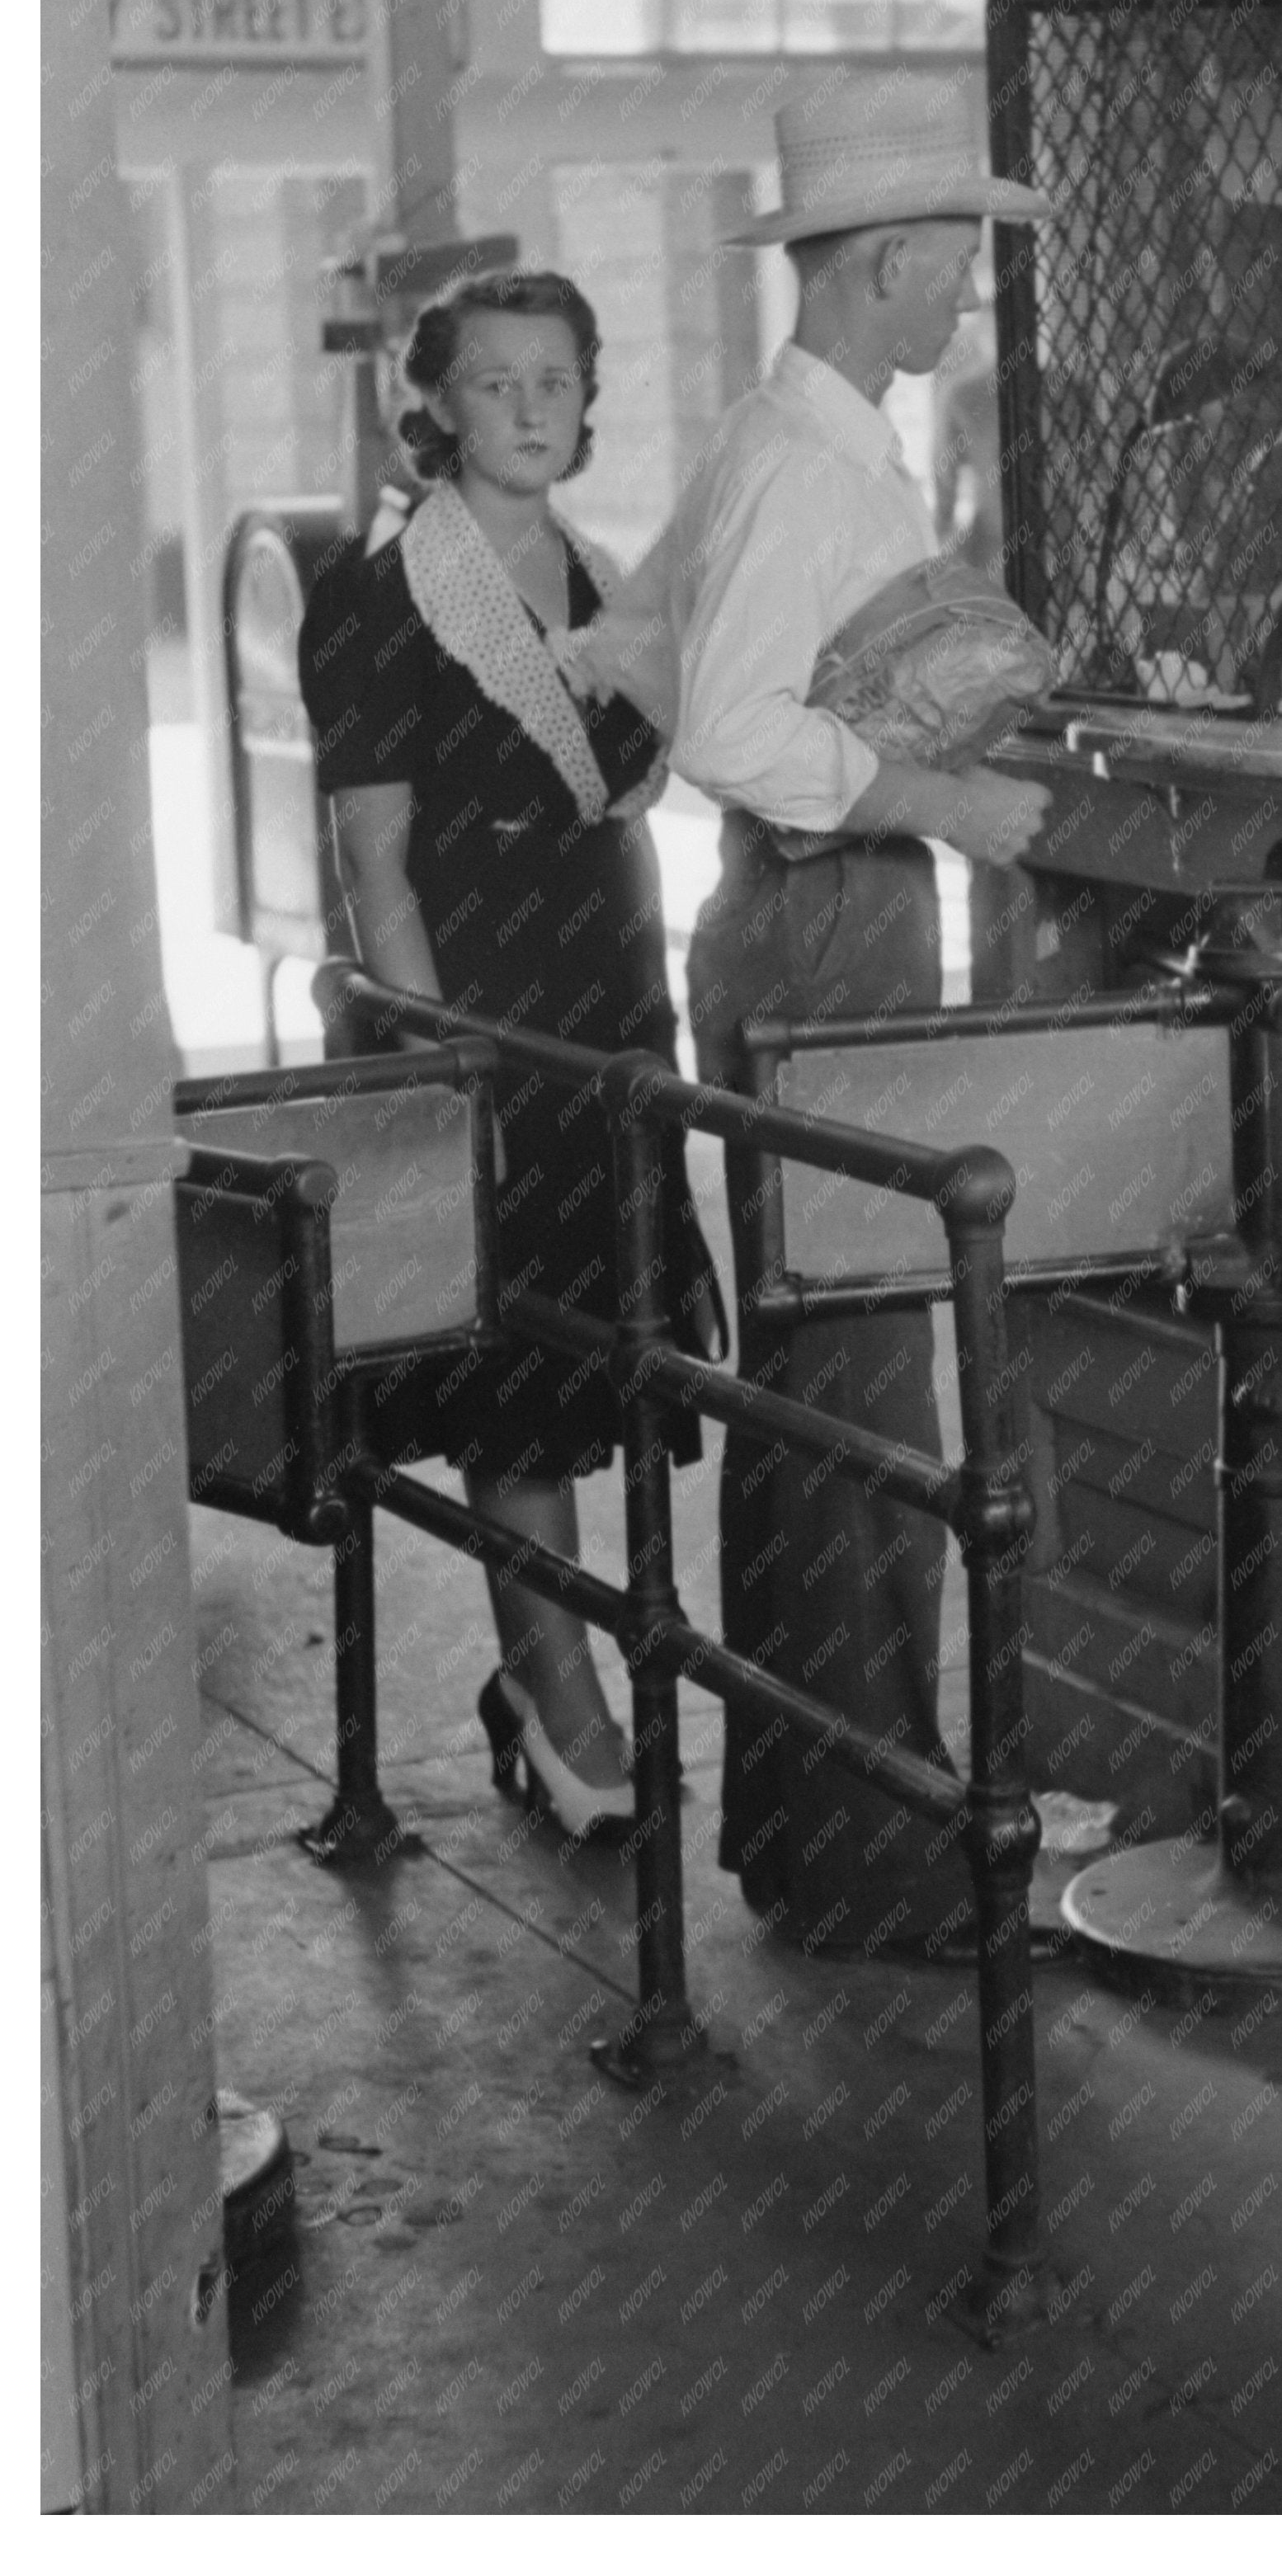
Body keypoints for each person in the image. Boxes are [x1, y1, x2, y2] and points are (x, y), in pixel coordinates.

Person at [591, 82, 1054, 1961]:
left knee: (813, 1385)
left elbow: (638, 646)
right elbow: (722, 731)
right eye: (950, 259)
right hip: (821, 918)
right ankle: (878, 1848)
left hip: (801, 917)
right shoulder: (803, 458)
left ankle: (814, 1820)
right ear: (881, 264)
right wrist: (936, 795)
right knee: (858, 1385)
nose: (965, 291)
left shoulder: (793, 437)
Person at [298, 270, 710, 1844]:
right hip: (472, 1008)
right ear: (441, 408)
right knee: (515, 1380)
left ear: (586, 399)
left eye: (556, 381)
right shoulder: (382, 588)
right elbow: (376, 862)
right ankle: (563, 1699)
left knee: (592, 1353)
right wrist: (443, 1069)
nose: (531, 408)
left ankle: (534, 1673)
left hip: (612, 1001)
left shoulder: (607, 580)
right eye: (497, 384)